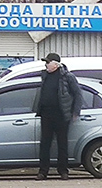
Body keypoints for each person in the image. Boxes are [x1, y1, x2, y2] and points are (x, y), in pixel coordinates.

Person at [32, 52, 83, 180]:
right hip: (46, 114)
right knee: (45, 144)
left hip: (61, 114)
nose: (45, 65)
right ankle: (43, 171)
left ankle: (63, 171)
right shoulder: (44, 76)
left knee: (62, 143)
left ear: (55, 65)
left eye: (48, 62)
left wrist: (76, 112)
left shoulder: (67, 77)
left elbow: (77, 94)